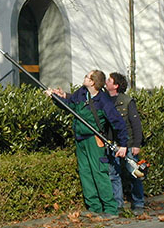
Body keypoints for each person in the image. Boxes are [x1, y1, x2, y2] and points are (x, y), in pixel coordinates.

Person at [45, 70, 128, 219]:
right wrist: (55, 97)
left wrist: (123, 144)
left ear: (93, 82)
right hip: (80, 139)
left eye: (87, 77)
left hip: (95, 140)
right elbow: (69, 105)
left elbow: (118, 122)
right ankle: (94, 207)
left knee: (99, 173)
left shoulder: (103, 100)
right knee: (86, 174)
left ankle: (110, 209)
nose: (84, 78)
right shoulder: (82, 93)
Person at [106, 72, 145, 216]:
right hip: (112, 144)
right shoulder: (104, 100)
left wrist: (136, 144)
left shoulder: (127, 101)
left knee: (135, 174)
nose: (106, 81)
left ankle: (139, 203)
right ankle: (118, 205)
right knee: (113, 175)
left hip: (128, 144)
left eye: (109, 80)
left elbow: (135, 125)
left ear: (116, 85)